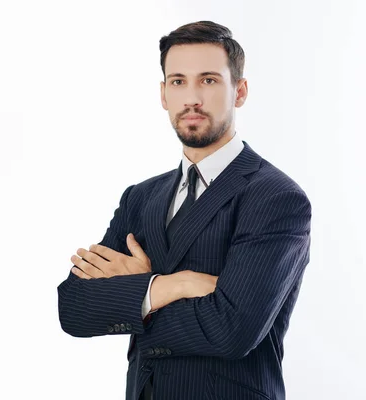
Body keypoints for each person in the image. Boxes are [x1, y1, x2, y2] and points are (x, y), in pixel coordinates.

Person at [57, 20, 312, 400]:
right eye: (178, 81)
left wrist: (134, 296)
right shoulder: (140, 198)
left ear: (239, 91)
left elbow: (231, 331)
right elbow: (74, 308)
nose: (191, 97)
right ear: (163, 94)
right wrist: (172, 284)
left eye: (208, 80)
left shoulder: (275, 198)